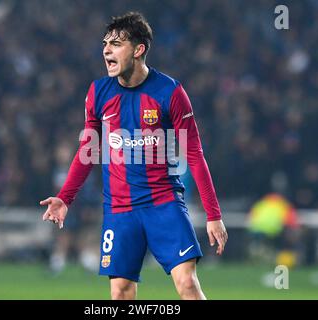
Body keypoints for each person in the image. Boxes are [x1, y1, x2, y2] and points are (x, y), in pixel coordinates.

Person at [40, 12, 227, 300]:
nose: (106, 50)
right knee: (121, 293)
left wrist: (213, 214)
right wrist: (65, 198)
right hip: (120, 210)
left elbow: (195, 154)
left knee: (187, 283)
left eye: (116, 43)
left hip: (163, 203)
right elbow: (88, 151)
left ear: (139, 50)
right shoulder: (98, 92)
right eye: (105, 43)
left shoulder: (170, 92)